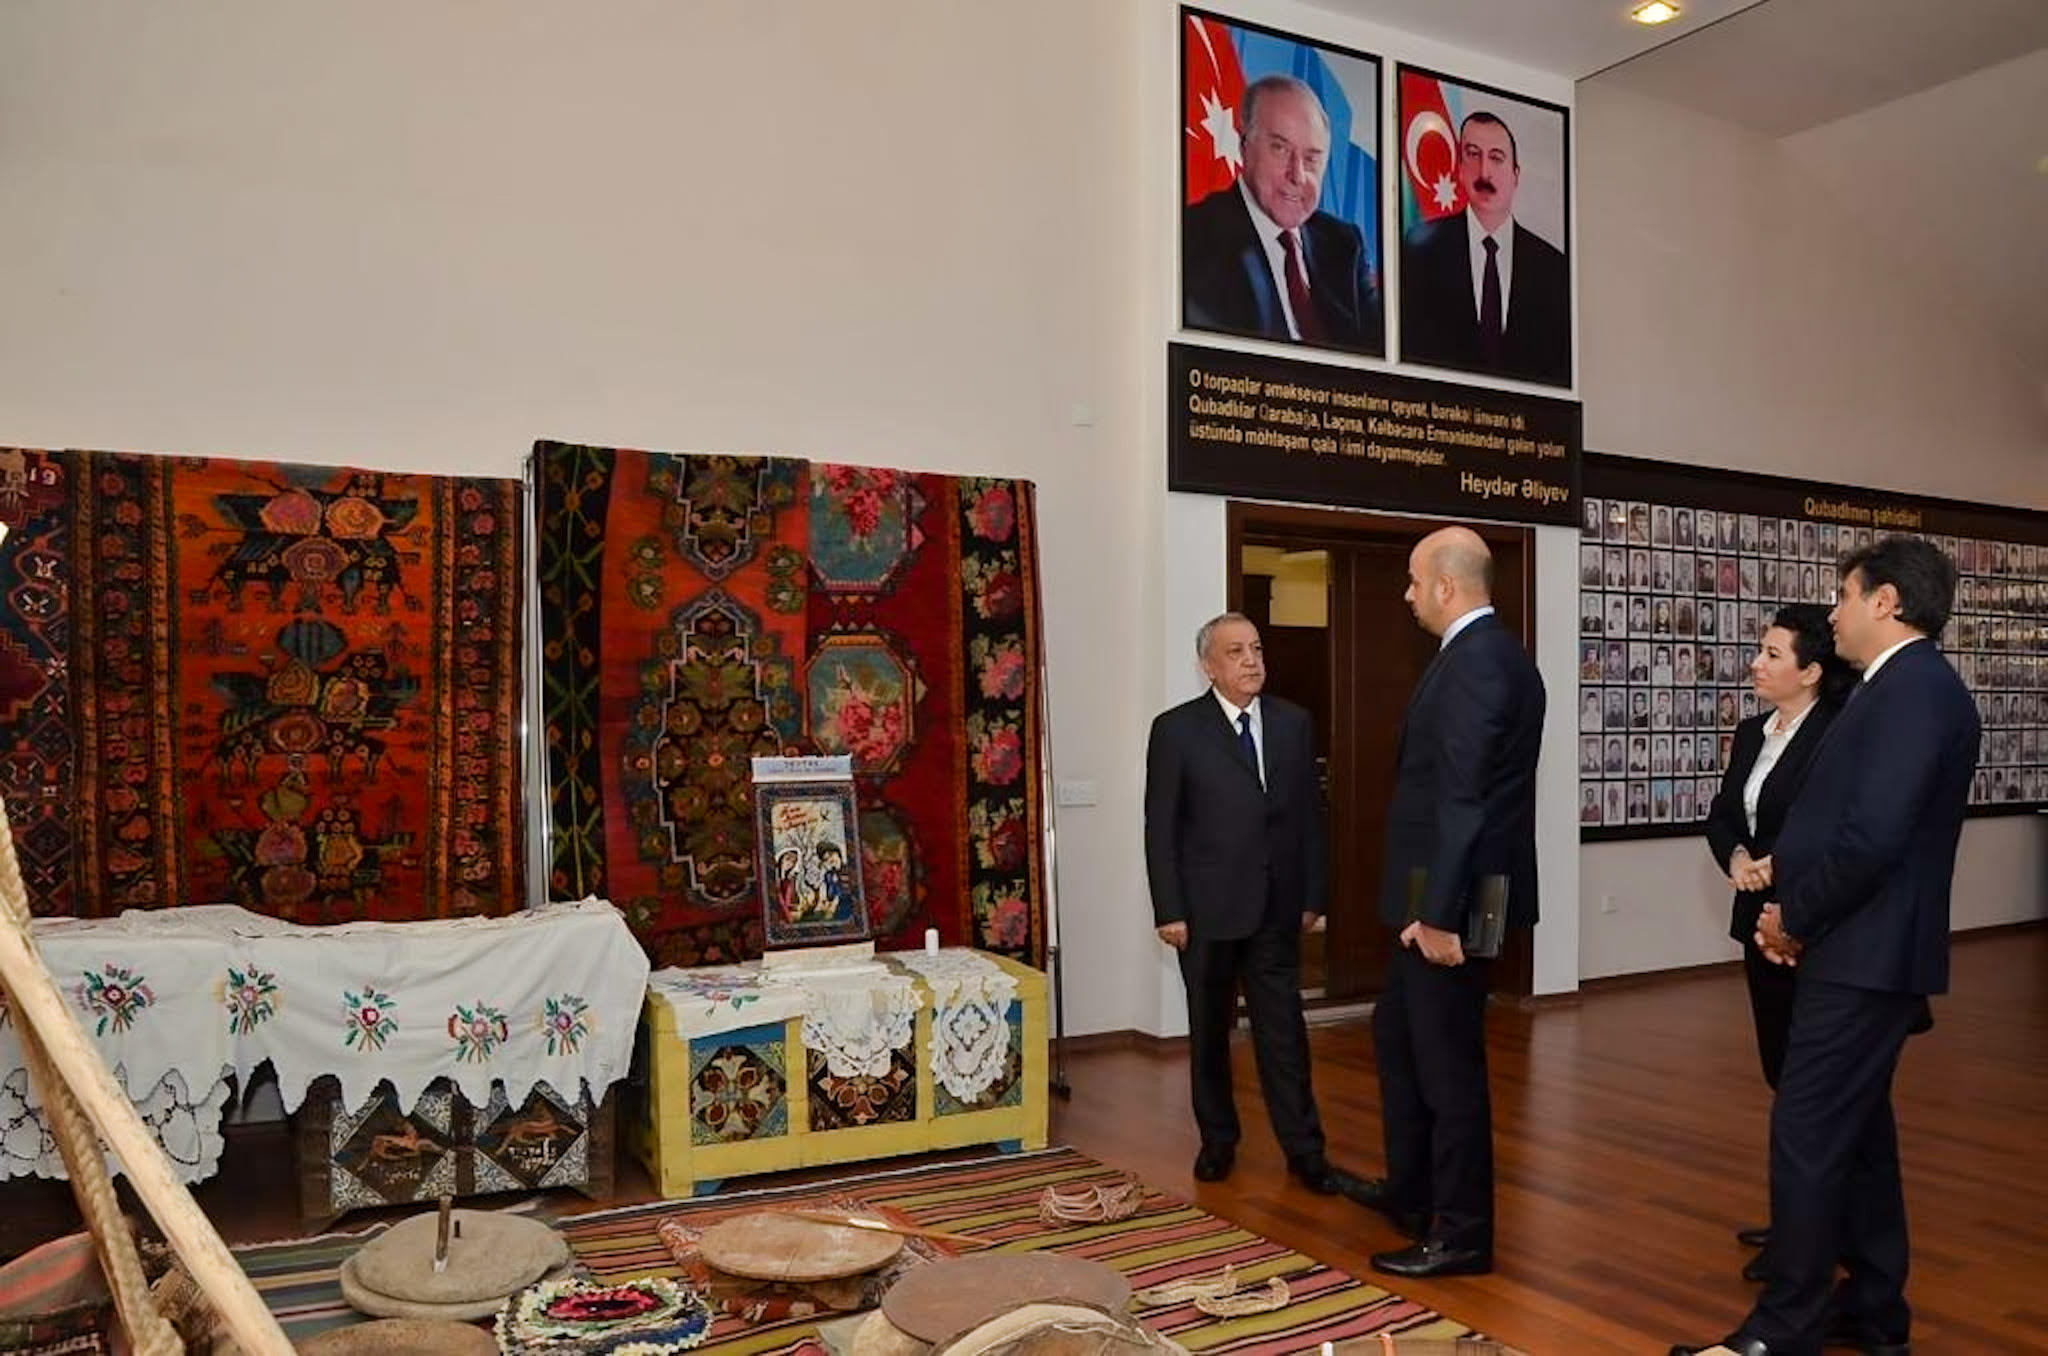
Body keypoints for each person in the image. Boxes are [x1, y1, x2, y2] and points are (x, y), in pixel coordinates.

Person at [1673, 538, 1981, 1356]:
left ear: (1886, 602)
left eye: (1844, 596)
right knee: (1861, 1138)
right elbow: (1846, 821)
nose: (1834, 613)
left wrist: (1794, 918)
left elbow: (1873, 837)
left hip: (1862, 952)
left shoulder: (1913, 692)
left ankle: (1786, 1327)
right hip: (1859, 948)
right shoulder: (1894, 688)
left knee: (1806, 1133)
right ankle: (1874, 1310)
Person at [1341, 526, 1545, 1279]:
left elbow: (1464, 799)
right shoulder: (1488, 655)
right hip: (1450, 888)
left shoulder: (1479, 662)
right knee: (1399, 1036)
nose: (1407, 594)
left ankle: (1461, 1235)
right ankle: (1413, 1193)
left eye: (1413, 580)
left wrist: (1438, 915)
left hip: (1454, 897)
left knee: (1447, 1066)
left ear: (1446, 586)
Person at [1143, 612, 1350, 1194]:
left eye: (1256, 649)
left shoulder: (1292, 722)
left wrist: (1312, 895)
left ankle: (1306, 1151)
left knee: (1283, 1035)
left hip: (1276, 909)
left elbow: (1310, 818)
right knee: (1209, 1033)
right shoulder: (1176, 730)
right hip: (1205, 912)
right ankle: (1218, 1142)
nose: (1252, 661)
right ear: (1208, 666)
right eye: (1236, 652)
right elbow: (1161, 827)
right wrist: (1169, 909)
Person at [1701, 604, 1852, 1282]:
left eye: (1771, 654)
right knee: (1781, 1075)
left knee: (1814, 1089)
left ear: (1811, 672)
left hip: (1810, 924)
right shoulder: (1751, 732)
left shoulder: (1837, 732)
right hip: (1755, 921)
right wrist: (1737, 858)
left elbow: (1835, 826)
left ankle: (1814, 1232)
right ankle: (1797, 1217)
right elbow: (1724, 813)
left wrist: (1778, 867)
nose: (1755, 664)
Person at [1183, 75, 1382, 352]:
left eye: (1311, 158)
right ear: (1243, 145)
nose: (1297, 175)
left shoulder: (1344, 244)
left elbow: (1377, 356)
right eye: (1280, 149)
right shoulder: (1195, 236)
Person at [1399, 111, 1570, 386]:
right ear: (1459, 168)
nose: (1484, 172)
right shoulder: (1419, 250)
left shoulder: (1553, 268)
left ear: (1515, 175)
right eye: (1473, 155)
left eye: (1496, 158)